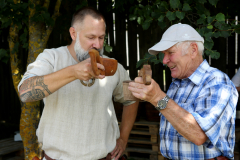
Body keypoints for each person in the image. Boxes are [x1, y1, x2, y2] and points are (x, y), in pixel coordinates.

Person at [18, 7, 138, 160]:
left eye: (101, 38)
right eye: (91, 37)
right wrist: (73, 72)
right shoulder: (52, 58)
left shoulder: (112, 66)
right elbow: (25, 93)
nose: (97, 44)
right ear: (73, 33)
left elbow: (132, 98)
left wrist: (123, 138)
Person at [128, 23, 238, 160]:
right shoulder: (177, 84)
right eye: (164, 54)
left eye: (170, 53)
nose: (164, 61)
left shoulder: (217, 82)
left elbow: (199, 135)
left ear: (193, 50)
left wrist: (157, 97)